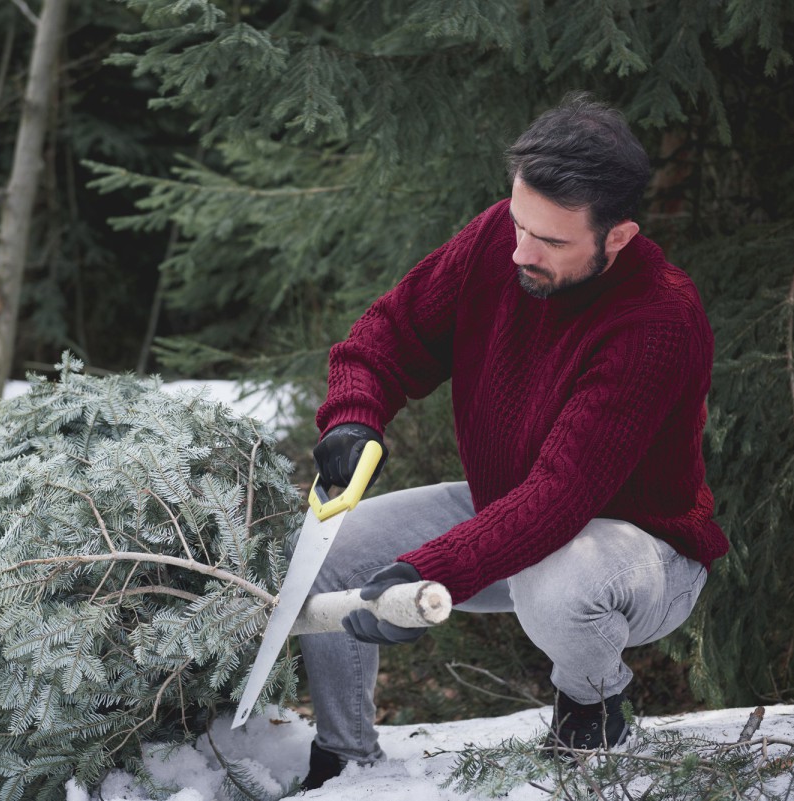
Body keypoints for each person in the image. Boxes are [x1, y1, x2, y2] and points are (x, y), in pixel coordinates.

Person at [297, 92, 730, 791]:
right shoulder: (502, 238)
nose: (521, 251)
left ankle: (593, 708)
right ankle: (344, 760)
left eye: (552, 242)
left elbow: (561, 498)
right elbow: (388, 334)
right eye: (519, 224)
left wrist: (427, 571)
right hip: (506, 510)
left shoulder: (658, 319)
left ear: (616, 237)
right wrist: (354, 415)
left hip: (637, 549)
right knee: (333, 549)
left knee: (560, 581)